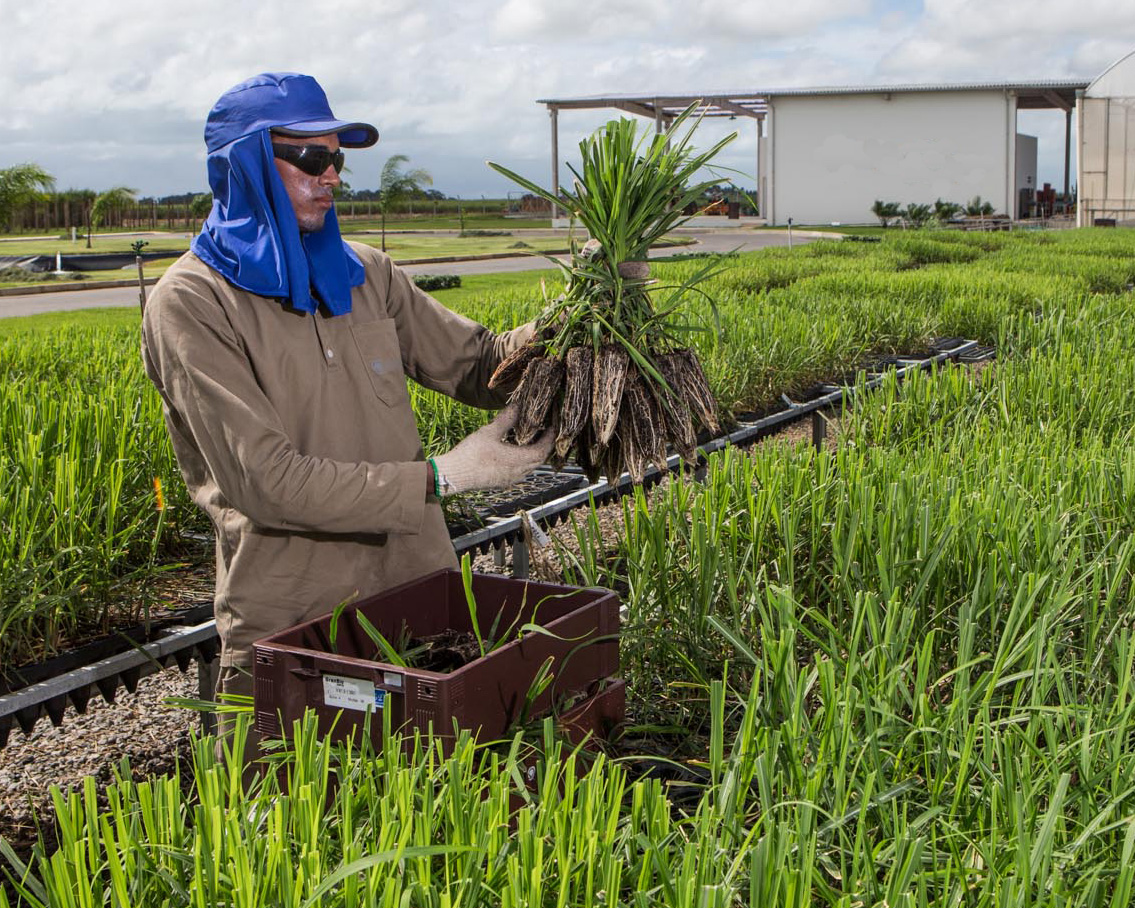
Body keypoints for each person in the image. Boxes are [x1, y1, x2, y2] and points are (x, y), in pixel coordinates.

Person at [141, 72, 552, 763]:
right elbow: (266, 482)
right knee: (294, 827)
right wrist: (444, 476)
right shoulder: (192, 303)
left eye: (337, 159)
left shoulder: (366, 273)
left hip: (414, 592)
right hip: (293, 619)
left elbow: (482, 365)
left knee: (430, 806)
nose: (331, 176)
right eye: (309, 158)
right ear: (244, 165)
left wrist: (586, 312)